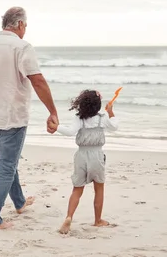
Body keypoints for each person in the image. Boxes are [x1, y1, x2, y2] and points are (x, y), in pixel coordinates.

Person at [0, 6, 59, 231]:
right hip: (13, 117)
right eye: (25, 25)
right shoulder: (22, 46)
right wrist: (53, 111)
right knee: (7, 166)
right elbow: (37, 80)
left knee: (8, 162)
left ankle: (19, 203)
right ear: (19, 24)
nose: (25, 29)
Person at [48, 89, 118, 234]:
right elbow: (114, 126)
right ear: (98, 106)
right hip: (97, 155)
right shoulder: (103, 118)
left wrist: (56, 127)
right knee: (99, 188)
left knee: (77, 189)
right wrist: (110, 111)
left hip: (81, 155)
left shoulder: (79, 118)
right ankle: (98, 220)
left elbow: (70, 131)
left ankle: (69, 217)